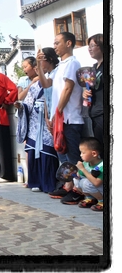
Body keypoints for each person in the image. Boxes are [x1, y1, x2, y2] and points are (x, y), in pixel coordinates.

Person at [37, 32, 84, 200]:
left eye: (57, 43)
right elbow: (45, 84)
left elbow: (68, 89)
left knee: (72, 156)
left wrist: (58, 112)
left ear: (69, 43)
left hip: (70, 118)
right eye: (54, 43)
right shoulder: (58, 68)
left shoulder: (73, 63)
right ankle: (68, 186)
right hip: (60, 118)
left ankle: (77, 190)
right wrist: (38, 64)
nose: (55, 46)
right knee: (62, 154)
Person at [18, 48, 58, 193]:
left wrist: (48, 115)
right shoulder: (33, 85)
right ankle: (35, 181)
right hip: (35, 121)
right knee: (33, 149)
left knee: (47, 150)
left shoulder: (54, 75)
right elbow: (27, 102)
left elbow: (51, 94)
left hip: (47, 117)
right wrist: (20, 106)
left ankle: (48, 182)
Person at [70, 138, 104, 211]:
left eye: (83, 153)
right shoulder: (86, 163)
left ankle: (102, 201)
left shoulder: (102, 165)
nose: (81, 155)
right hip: (95, 188)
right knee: (77, 180)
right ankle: (90, 198)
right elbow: (81, 176)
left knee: (86, 183)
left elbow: (96, 183)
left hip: (101, 188)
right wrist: (75, 174)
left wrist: (82, 169)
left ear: (94, 154)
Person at [83, 34, 104, 148]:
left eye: (92, 45)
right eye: (88, 46)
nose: (89, 49)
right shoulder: (93, 68)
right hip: (94, 114)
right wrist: (85, 93)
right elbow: (90, 88)